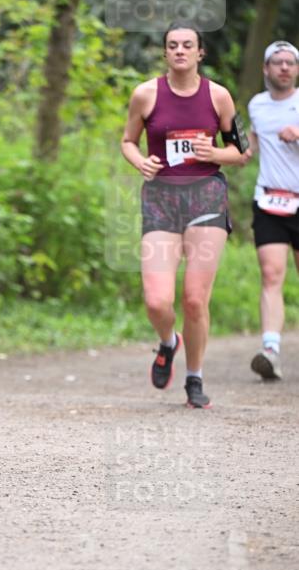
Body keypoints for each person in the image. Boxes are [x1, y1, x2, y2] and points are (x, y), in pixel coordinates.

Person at [121, 24, 247, 409]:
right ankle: (167, 341)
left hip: (206, 196)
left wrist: (214, 154)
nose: (179, 51)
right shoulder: (145, 94)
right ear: (165, 54)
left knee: (194, 299)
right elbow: (128, 141)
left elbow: (241, 150)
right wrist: (141, 161)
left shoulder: (218, 96)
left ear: (199, 53)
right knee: (158, 301)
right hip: (161, 199)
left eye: (187, 45)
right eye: (172, 45)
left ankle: (195, 377)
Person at [247, 40, 299, 381]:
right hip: (269, 200)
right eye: (277, 62)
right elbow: (250, 145)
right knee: (271, 275)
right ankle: (270, 350)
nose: (284, 67)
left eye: (290, 63)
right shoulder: (257, 105)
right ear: (266, 69)